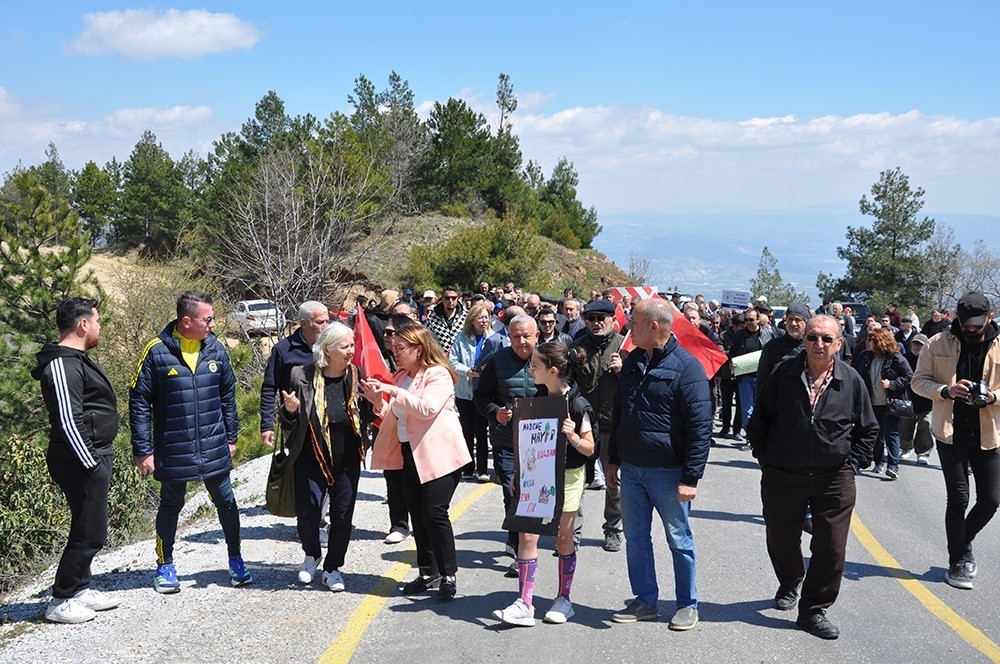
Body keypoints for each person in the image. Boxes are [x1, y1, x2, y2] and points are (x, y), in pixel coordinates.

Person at [748, 315, 878, 640]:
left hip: (834, 477)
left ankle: (813, 610)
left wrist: (853, 465)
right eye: (812, 338)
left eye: (825, 339)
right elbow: (759, 420)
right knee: (780, 537)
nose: (818, 344)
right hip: (783, 474)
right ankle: (791, 579)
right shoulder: (784, 374)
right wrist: (767, 460)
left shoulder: (851, 380)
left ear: (838, 343)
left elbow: (869, 428)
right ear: (803, 341)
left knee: (832, 547)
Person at [130, 290, 250, 592]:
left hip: (214, 445)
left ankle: (236, 560)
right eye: (207, 319)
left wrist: (231, 437)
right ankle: (165, 565)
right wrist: (143, 450)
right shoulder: (156, 352)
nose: (213, 324)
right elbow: (139, 401)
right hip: (173, 448)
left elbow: (228, 396)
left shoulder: (216, 350)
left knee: (227, 502)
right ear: (187, 321)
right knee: (171, 505)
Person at [606, 298, 711, 631]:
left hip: (669, 473)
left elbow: (700, 428)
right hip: (633, 470)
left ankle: (687, 604)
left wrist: (691, 478)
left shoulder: (687, 368)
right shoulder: (633, 361)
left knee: (679, 539)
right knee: (636, 540)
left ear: (654, 327)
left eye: (634, 323)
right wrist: (613, 457)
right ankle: (646, 601)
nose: (628, 329)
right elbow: (620, 413)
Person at [492, 342, 597, 626]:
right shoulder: (537, 398)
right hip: (537, 474)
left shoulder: (577, 403)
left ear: (552, 371)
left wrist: (574, 437)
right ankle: (525, 603)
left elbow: (590, 448)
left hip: (568, 478)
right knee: (527, 536)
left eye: (535, 365)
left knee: (563, 538)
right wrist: (518, 474)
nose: (530, 369)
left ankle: (564, 598)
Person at [365, 324, 472, 600]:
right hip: (410, 454)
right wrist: (379, 402)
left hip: (441, 455)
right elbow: (396, 414)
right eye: (394, 347)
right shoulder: (402, 377)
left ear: (418, 348)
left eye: (401, 348)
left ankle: (449, 573)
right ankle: (428, 571)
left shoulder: (438, 375)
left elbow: (426, 410)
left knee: (435, 513)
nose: (395, 353)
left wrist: (391, 389)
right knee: (417, 513)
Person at [32, 298, 121, 623]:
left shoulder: (75, 359)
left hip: (92, 456)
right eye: (96, 321)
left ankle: (81, 589)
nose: (99, 327)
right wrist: (92, 465)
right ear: (83, 324)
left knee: (89, 526)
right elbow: (69, 421)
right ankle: (60, 599)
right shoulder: (61, 364)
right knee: (88, 533)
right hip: (81, 461)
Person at [911, 292, 1000, 591]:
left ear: (990, 317)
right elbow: (917, 381)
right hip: (950, 433)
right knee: (959, 498)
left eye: (977, 324)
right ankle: (957, 560)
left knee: (991, 499)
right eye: (965, 324)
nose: (971, 329)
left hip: (990, 433)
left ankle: (964, 542)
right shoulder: (938, 343)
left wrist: (993, 396)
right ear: (956, 318)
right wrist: (945, 390)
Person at [278, 323, 370, 591]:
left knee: (342, 517)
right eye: (345, 346)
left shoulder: (355, 374)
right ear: (327, 349)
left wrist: (375, 402)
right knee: (307, 515)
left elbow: (367, 414)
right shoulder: (301, 375)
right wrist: (291, 411)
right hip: (310, 458)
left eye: (352, 345)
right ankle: (312, 554)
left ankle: (332, 568)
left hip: (347, 460)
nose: (351, 350)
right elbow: (287, 420)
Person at [474, 315, 540, 577]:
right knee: (512, 492)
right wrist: (495, 412)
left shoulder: (549, 359)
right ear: (508, 337)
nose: (521, 342)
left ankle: (535, 539)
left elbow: (563, 391)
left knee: (537, 493)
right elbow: (481, 397)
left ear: (536, 336)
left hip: (539, 442)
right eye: (516, 336)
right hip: (506, 441)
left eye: (526, 336)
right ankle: (516, 546)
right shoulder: (497, 361)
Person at [571, 298, 625, 551]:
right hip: (582, 425)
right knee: (576, 481)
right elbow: (566, 383)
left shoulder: (625, 346)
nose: (595, 323)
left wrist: (623, 370)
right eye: (590, 318)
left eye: (601, 318)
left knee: (613, 482)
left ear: (612, 319)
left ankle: (613, 530)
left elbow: (640, 384)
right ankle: (571, 532)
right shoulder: (577, 346)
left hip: (612, 425)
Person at [261, 301, 330, 447]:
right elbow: (269, 388)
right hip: (296, 424)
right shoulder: (283, 350)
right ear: (304, 323)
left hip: (329, 420)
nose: (326, 326)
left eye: (327, 321)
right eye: (320, 322)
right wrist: (267, 425)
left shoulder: (331, 347)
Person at [853, 327, 912, 479]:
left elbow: (909, 376)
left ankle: (893, 466)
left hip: (890, 402)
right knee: (876, 434)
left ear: (879, 342)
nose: (867, 343)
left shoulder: (895, 358)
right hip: (871, 403)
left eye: (870, 340)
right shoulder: (865, 356)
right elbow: (855, 374)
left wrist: (891, 384)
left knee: (891, 434)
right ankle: (878, 462)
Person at [449, 303, 495, 481]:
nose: (484, 321)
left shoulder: (493, 338)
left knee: (481, 430)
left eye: (486, 317)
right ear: (472, 320)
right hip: (465, 391)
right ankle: (468, 467)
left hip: (484, 391)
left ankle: (482, 469)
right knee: (467, 430)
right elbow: (452, 361)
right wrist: (466, 371)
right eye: (480, 318)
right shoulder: (461, 338)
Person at [900, 333, 933, 465]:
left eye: (920, 344)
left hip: (927, 400)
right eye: (915, 343)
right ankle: (906, 448)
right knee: (906, 425)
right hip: (908, 399)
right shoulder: (905, 358)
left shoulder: (931, 359)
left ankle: (923, 452)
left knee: (925, 424)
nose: (916, 346)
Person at [427, 285, 468, 353]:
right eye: (447, 298)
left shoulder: (466, 316)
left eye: (454, 298)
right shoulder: (432, 317)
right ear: (442, 299)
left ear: (457, 299)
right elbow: (429, 340)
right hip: (440, 357)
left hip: (461, 357)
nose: (450, 301)